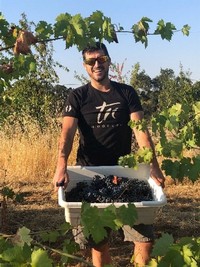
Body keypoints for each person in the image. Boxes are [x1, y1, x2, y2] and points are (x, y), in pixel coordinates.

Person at [53, 42, 165, 267]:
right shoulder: (77, 96)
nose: (97, 64)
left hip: (126, 176)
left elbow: (140, 131)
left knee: (144, 238)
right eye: (91, 61)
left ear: (109, 60)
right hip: (90, 175)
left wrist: (153, 164)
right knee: (98, 242)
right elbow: (67, 132)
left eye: (101, 59)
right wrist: (61, 164)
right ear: (85, 66)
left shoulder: (126, 92)